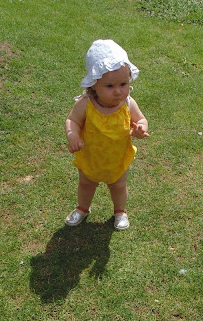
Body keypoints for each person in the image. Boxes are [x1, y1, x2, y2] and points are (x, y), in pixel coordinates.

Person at [64, 39, 149, 230]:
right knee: (86, 184)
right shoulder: (86, 104)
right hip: (91, 157)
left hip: (117, 158)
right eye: (109, 86)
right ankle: (82, 208)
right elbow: (72, 120)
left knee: (118, 186)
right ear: (94, 84)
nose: (118, 91)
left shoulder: (128, 103)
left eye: (123, 84)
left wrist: (140, 129)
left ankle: (120, 211)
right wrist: (73, 136)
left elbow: (141, 119)